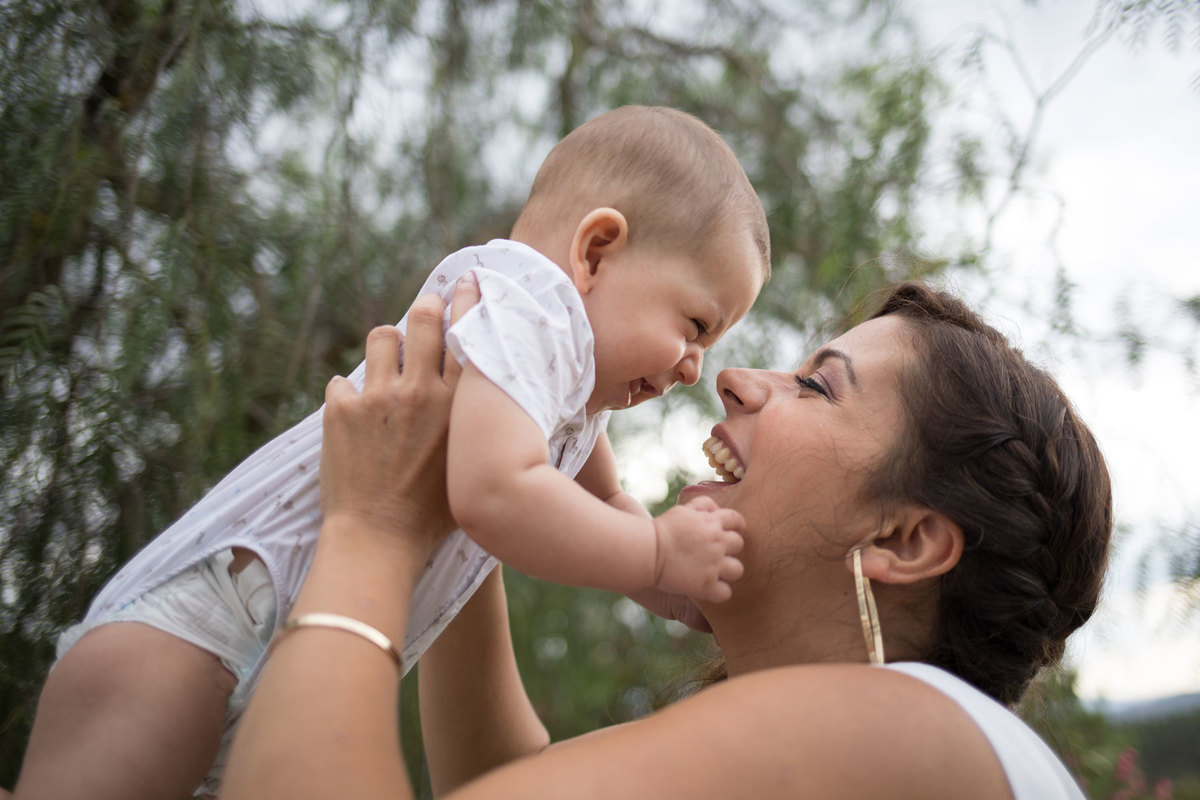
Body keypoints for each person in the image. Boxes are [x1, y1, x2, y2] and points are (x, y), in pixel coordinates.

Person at [12, 106, 768, 799]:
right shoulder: (529, 313)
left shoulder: (572, 390)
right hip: (206, 620)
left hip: (278, 643)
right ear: (596, 251)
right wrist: (657, 553)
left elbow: (601, 505)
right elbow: (496, 494)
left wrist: (659, 587)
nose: (695, 367)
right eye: (697, 324)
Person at [222, 279, 1111, 800]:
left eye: (816, 386)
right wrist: (474, 491)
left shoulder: (917, 727)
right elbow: (502, 773)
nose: (733, 380)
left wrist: (370, 529)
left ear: (907, 538)